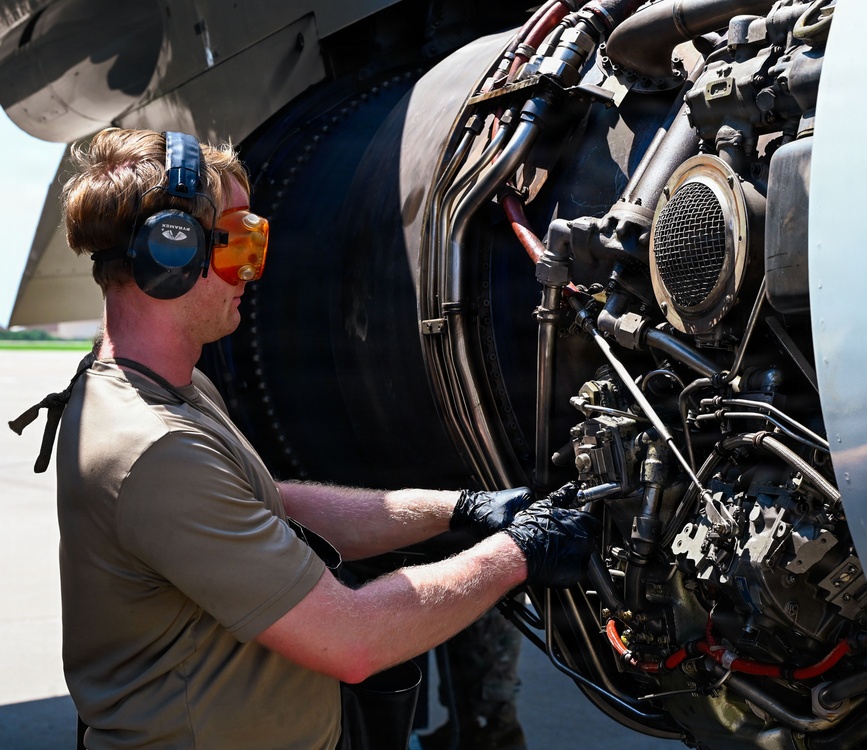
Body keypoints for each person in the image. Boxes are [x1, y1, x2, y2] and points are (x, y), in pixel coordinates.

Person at [13, 128, 597, 750]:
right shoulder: (154, 446)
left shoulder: (159, 388)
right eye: (240, 243)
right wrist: (519, 552)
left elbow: (265, 504)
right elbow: (352, 640)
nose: (252, 270)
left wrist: (460, 509)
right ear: (171, 255)